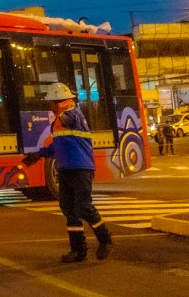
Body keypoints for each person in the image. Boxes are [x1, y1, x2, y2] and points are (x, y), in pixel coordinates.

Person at [22, 82, 113, 262]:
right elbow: (57, 146)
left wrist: (62, 115)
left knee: (83, 206)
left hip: (81, 169)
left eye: (50, 102)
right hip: (65, 169)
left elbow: (71, 119)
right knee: (69, 209)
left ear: (58, 101)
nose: (48, 106)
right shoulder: (58, 121)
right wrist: (39, 154)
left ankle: (105, 239)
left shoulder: (72, 114)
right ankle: (78, 250)